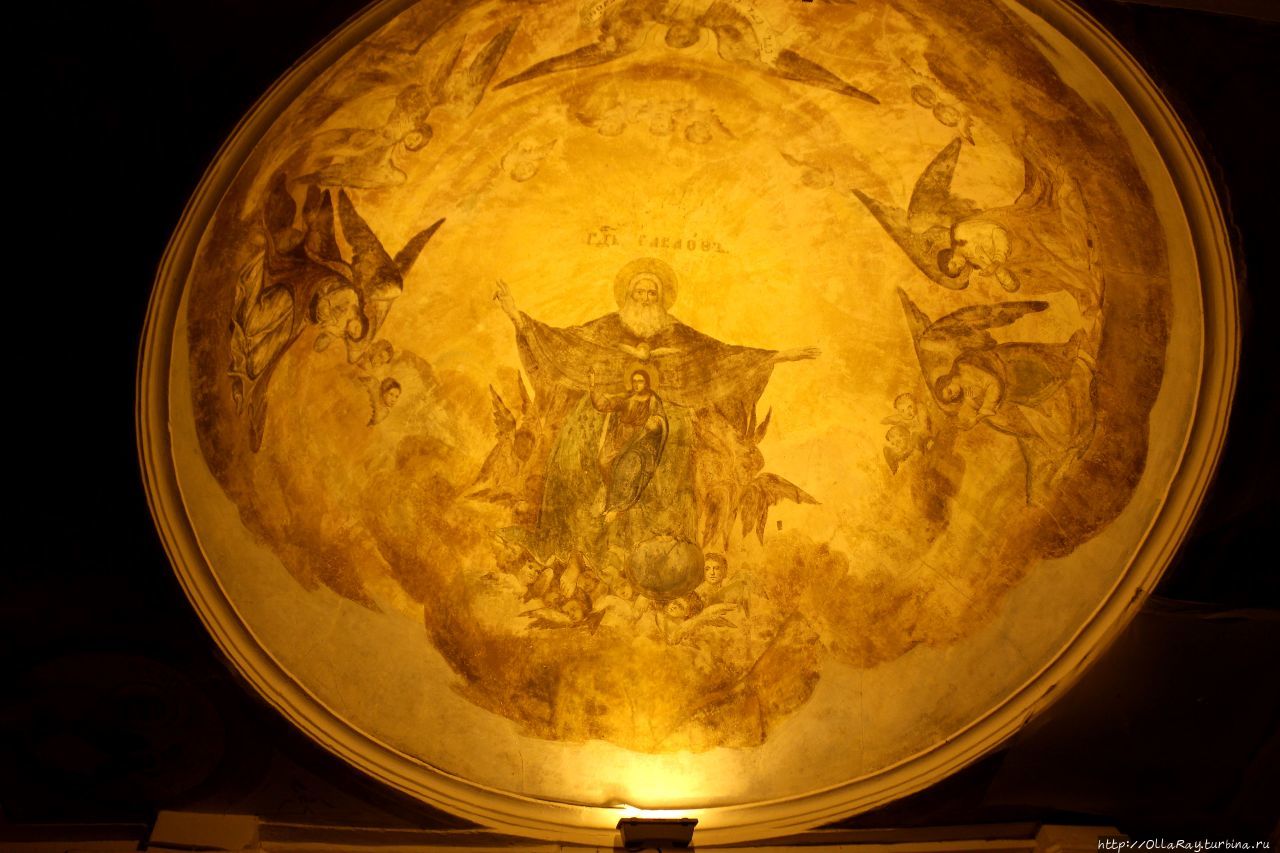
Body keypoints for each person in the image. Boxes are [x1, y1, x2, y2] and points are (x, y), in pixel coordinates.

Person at [489, 258, 820, 565]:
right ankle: (580, 551)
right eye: (640, 292)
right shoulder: (606, 328)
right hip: (608, 412)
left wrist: (776, 357)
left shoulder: (677, 333)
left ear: (662, 299)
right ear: (627, 295)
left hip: (660, 421)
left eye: (652, 293)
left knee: (672, 468)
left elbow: (720, 357)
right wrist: (516, 315)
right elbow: (564, 345)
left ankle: (657, 557)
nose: (646, 298)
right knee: (574, 458)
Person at [590, 369, 668, 524]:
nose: (637, 384)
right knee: (602, 462)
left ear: (647, 383)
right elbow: (604, 405)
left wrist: (656, 424)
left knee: (626, 466)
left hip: (641, 439)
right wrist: (592, 385)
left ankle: (619, 505)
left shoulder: (653, 400)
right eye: (634, 381)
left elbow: (661, 420)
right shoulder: (627, 397)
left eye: (640, 381)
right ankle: (609, 491)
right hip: (620, 437)